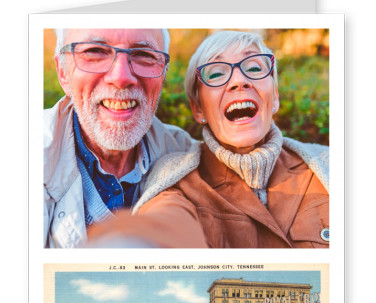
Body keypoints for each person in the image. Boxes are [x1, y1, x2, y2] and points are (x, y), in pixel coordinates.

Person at [87, 30, 329, 248]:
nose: (239, 81)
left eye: (254, 68)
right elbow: (166, 223)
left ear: (274, 96)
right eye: (216, 73)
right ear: (198, 109)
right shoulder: (177, 181)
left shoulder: (328, 165)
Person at [44, 28, 198, 248]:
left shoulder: (187, 156)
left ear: (163, 73)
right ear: (62, 72)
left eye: (144, 55)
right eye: (95, 51)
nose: (121, 77)